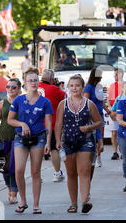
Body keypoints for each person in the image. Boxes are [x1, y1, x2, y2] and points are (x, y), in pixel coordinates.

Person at [54, 74, 102, 214]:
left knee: (84, 170)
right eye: (72, 85)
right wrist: (57, 140)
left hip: (85, 141)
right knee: (71, 173)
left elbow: (99, 121)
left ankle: (85, 201)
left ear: (82, 87)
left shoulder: (89, 104)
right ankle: (73, 204)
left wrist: (89, 127)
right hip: (67, 141)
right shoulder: (63, 104)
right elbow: (58, 124)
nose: (75, 88)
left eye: (78, 85)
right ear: (68, 87)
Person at [8, 67, 53, 214]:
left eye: (35, 80)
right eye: (30, 80)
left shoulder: (45, 102)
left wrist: (48, 142)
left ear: (39, 82)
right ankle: (23, 200)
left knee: (35, 172)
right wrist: (22, 124)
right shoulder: (18, 100)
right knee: (19, 169)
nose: (33, 83)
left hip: (39, 137)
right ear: (25, 83)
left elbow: (48, 123)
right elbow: (10, 120)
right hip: (21, 138)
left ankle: (36, 204)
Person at [38, 69, 66, 182]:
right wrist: (59, 86)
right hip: (52, 124)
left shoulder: (35, 87)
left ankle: (37, 176)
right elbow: (65, 98)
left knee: (37, 150)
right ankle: (57, 173)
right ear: (51, 79)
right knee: (54, 149)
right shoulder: (54, 89)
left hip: (37, 124)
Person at [84, 67, 112, 168]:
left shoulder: (100, 87)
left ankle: (98, 156)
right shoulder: (88, 87)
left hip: (100, 114)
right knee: (93, 136)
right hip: (91, 115)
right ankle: (92, 156)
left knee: (101, 135)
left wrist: (108, 110)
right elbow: (86, 101)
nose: (101, 77)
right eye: (100, 75)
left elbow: (102, 101)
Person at [107, 68, 124, 160]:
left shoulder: (125, 85)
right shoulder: (112, 86)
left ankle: (122, 151)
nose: (115, 76)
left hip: (122, 111)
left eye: (116, 74)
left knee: (122, 131)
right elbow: (108, 100)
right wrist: (111, 111)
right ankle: (115, 151)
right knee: (114, 132)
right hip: (114, 111)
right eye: (114, 74)